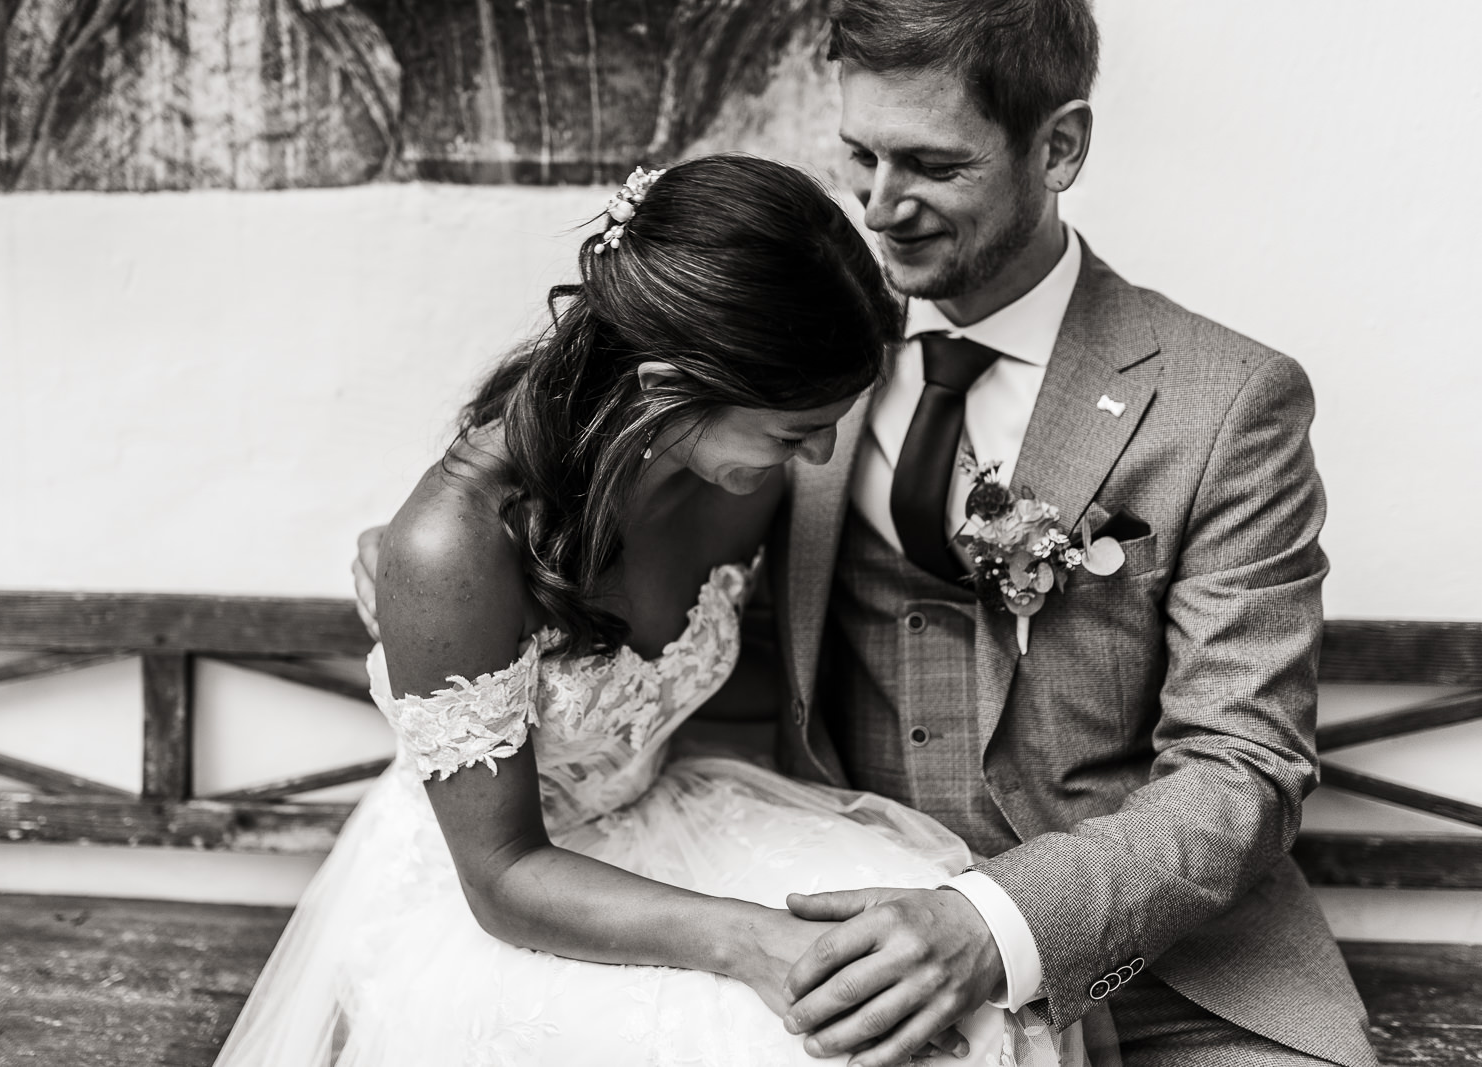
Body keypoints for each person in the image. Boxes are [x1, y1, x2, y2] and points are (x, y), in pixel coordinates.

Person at [355, 2, 1383, 1064]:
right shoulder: (785, 348)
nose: (882, 210)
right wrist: (439, 578)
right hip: (824, 878)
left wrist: (999, 925)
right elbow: (562, 521)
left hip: (1157, 951)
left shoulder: (1226, 401)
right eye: (858, 156)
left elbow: (1241, 762)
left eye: (933, 166)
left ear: (1059, 145)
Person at [218, 154, 1089, 1067]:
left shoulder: (737, 470)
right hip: (512, 893)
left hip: (674, 823)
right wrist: (754, 940)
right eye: (796, 430)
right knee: (811, 1043)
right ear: (666, 385)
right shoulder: (454, 546)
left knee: (967, 988)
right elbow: (503, 876)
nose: (821, 451)